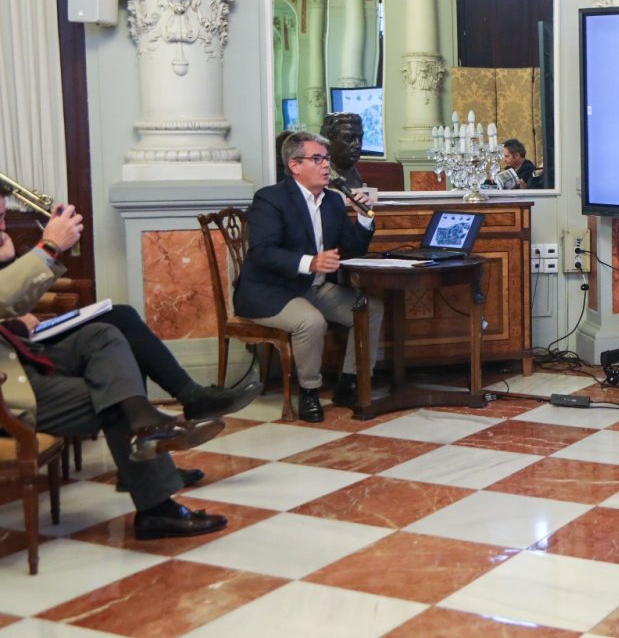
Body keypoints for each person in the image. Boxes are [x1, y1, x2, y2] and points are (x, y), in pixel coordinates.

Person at [1, 202, 228, 539]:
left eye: (3, 217)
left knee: (104, 333)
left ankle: (143, 418)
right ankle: (156, 508)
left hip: (17, 356)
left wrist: (7, 264)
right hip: (9, 382)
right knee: (118, 397)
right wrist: (48, 246)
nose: (2, 225)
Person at [235, 131, 382, 422]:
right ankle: (310, 391)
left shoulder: (332, 202)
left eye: (326, 158)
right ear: (295, 165)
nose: (327, 165)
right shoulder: (271, 199)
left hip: (313, 288)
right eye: (317, 159)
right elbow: (262, 252)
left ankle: (351, 382)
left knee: (369, 308)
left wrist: (364, 218)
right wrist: (310, 262)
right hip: (271, 291)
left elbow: (350, 250)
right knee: (310, 321)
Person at [322, 112, 365, 190]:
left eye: (360, 138)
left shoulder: (355, 175)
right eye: (348, 139)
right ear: (328, 140)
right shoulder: (319, 176)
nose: (357, 145)